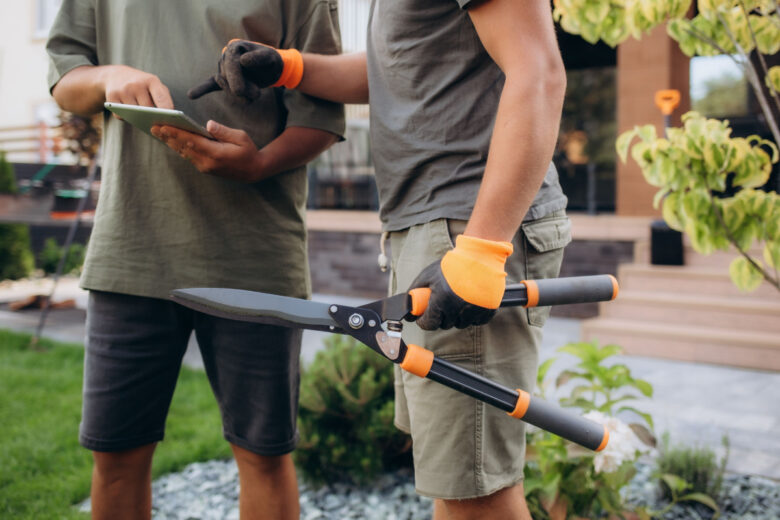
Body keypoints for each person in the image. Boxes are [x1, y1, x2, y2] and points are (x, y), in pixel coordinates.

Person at [160, 0, 569, 517]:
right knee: (455, 479)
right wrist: (290, 67)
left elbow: (539, 71)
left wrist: (482, 250)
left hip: (467, 223)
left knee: (477, 492)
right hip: (437, 224)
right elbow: (395, 67)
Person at [45, 1, 344, 518]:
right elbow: (65, 82)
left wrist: (261, 164)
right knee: (116, 456)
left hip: (255, 258)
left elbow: (323, 112)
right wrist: (109, 76)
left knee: (264, 457)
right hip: (131, 251)